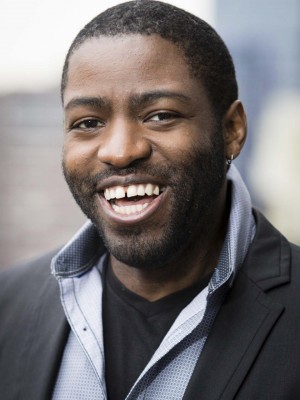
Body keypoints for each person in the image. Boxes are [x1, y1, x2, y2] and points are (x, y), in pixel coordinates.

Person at [1, 1, 300, 399]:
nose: (120, 151)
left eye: (159, 115)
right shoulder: (9, 305)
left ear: (231, 130)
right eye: (88, 123)